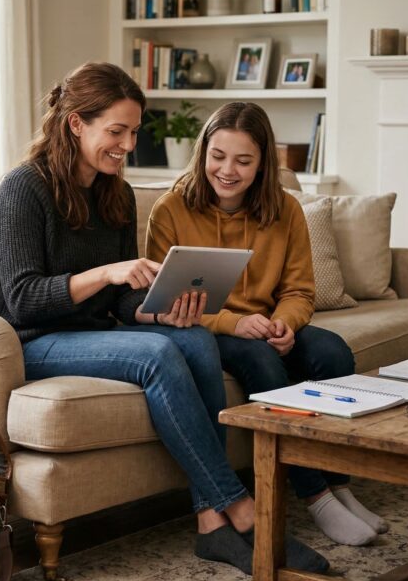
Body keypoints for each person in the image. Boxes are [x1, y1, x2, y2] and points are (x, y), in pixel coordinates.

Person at [0, 63, 329, 575]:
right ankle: (243, 510)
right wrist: (106, 273)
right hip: (31, 340)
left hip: (92, 333)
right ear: (76, 123)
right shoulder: (23, 188)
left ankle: (211, 527)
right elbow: (23, 299)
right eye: (115, 131)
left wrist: (158, 307)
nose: (126, 144)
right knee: (161, 353)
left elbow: (123, 304)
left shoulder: (115, 193)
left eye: (133, 132)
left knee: (190, 339)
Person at [146, 101, 388, 546]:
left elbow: (300, 290)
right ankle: (316, 497)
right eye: (217, 156)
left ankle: (340, 486)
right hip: (207, 330)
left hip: (267, 324)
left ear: (262, 164)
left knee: (334, 351)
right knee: (263, 364)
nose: (228, 170)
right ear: (203, 154)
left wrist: (284, 324)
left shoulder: (286, 210)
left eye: (243, 160)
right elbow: (164, 301)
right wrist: (235, 324)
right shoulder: (171, 210)